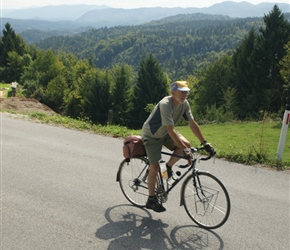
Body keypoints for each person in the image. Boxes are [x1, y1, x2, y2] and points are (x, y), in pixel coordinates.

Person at [141, 80, 215, 212]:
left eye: (186, 92)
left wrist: (205, 143)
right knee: (155, 167)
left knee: (185, 144)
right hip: (152, 135)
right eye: (181, 92)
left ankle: (168, 168)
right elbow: (170, 130)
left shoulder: (184, 104)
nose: (184, 95)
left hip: (165, 133)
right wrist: (186, 151)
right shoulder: (166, 104)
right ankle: (151, 199)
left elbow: (192, 123)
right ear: (173, 92)